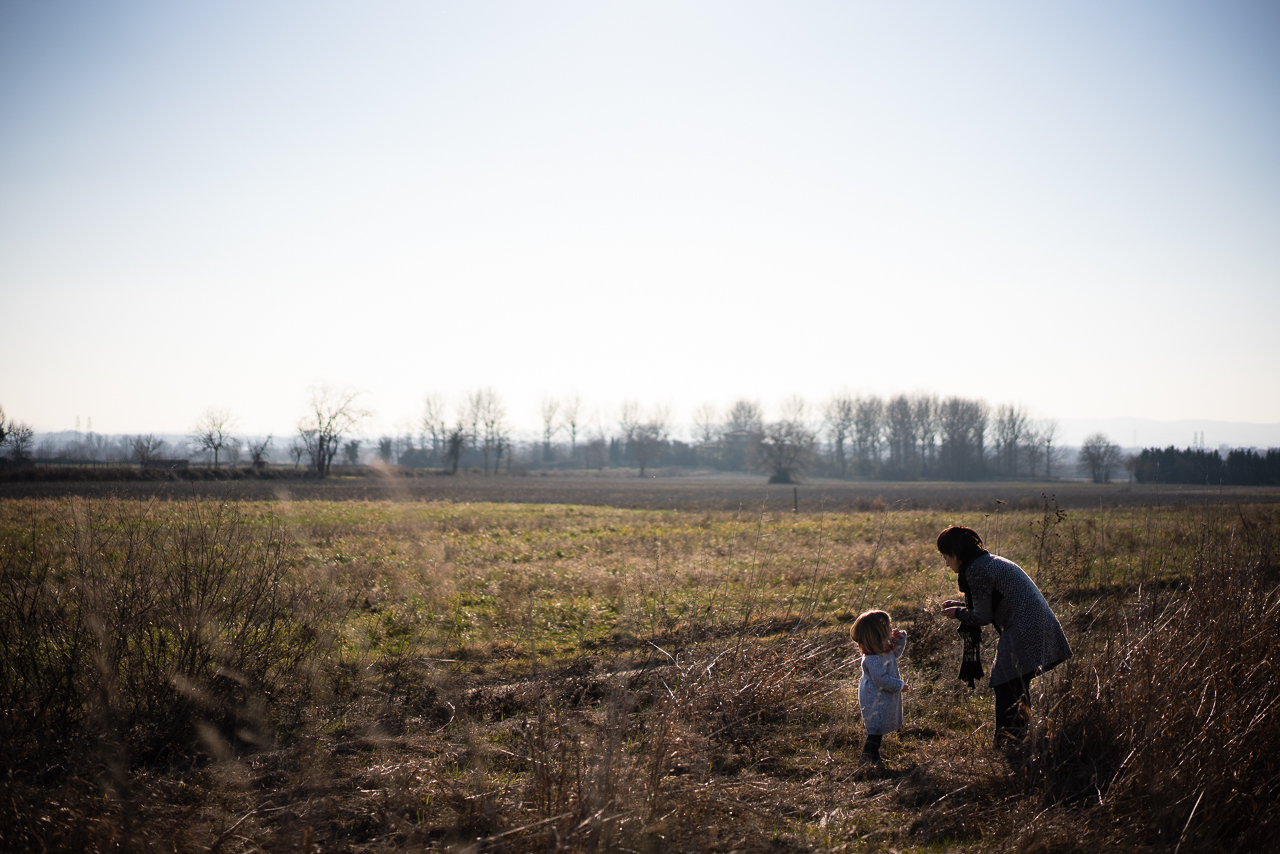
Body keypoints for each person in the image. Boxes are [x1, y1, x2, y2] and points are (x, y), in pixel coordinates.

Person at [937, 525, 1072, 745]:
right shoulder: (987, 562)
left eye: (946, 557)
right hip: (1033, 623)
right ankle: (1018, 740)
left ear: (955, 554)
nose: (946, 563)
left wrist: (958, 613)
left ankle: (1009, 742)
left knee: (1006, 682)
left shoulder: (976, 570)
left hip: (1024, 627)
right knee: (1014, 683)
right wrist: (961, 606)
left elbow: (981, 616)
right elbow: (988, 606)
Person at [852, 609, 908, 765]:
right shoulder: (873, 658)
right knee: (876, 728)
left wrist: (899, 639)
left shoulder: (881, 651)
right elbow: (881, 680)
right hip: (874, 698)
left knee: (878, 728)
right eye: (888, 629)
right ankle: (867, 757)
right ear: (879, 634)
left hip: (881, 697)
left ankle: (874, 757)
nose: (891, 630)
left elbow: (894, 654)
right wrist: (900, 685)